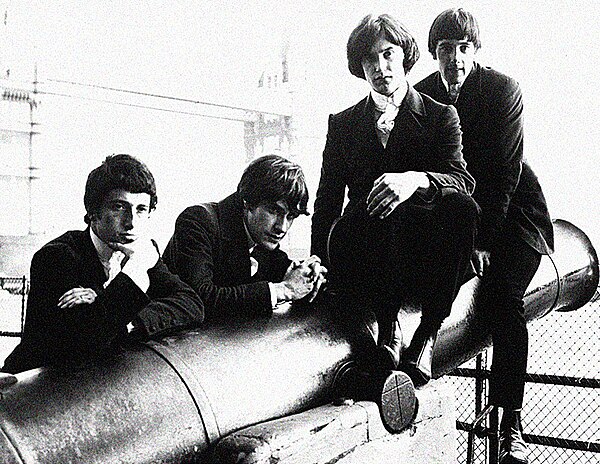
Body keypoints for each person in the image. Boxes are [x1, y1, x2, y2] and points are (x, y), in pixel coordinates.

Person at [415, 8, 554, 464]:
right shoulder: (422, 96)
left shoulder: (501, 91)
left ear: (476, 51)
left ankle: (508, 428)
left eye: (462, 49)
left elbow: (503, 175)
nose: (453, 59)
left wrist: (482, 244)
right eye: (443, 50)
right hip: (458, 210)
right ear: (433, 54)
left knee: (503, 296)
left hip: (513, 214)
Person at [311, 14, 478, 387]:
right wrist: (317, 262)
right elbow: (327, 201)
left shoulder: (440, 116)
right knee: (359, 218)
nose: (380, 67)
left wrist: (415, 181)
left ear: (404, 56)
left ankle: (426, 336)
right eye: (370, 59)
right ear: (360, 67)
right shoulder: (342, 124)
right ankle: (388, 331)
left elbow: (462, 181)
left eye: (388, 54)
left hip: (421, 257)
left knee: (462, 208)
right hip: (367, 255)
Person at [2, 154, 205, 374]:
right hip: (32, 387)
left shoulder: (144, 250)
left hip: (96, 389)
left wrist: (128, 321)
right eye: (119, 207)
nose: (131, 222)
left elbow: (191, 304)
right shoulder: (56, 257)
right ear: (93, 211)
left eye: (141, 209)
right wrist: (135, 273)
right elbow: (84, 342)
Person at [164, 155, 326, 321]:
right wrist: (284, 290)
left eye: (290, 216)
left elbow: (284, 269)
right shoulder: (198, 221)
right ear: (247, 201)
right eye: (274, 211)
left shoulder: (260, 236)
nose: (282, 227)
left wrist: (309, 276)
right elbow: (198, 299)